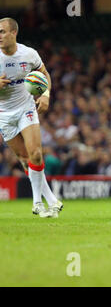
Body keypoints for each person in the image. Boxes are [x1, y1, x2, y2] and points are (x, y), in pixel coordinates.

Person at [0, 17, 63, 217]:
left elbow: (45, 74)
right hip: (3, 115)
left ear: (13, 33)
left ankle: (37, 203)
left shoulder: (29, 54)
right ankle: (51, 200)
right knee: (25, 159)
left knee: (35, 154)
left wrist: (45, 95)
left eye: (2, 31)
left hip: (26, 109)